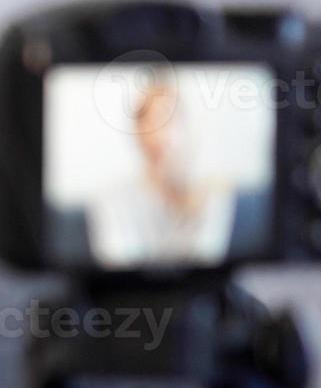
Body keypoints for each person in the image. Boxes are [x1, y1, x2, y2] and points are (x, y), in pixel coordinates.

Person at [88, 69, 241, 267]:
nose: (161, 135)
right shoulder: (108, 198)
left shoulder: (215, 194)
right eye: (150, 121)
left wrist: (189, 207)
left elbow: (207, 264)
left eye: (171, 119)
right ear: (137, 133)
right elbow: (119, 266)